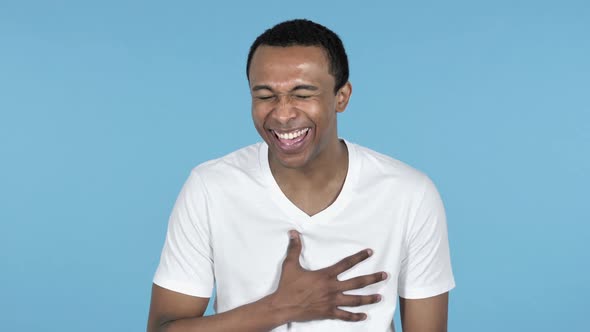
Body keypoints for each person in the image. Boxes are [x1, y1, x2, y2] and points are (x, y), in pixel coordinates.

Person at [147, 19, 455, 332]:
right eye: (265, 96)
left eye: (302, 94)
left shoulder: (409, 194)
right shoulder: (211, 187)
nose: (282, 114)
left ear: (341, 97)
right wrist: (278, 308)